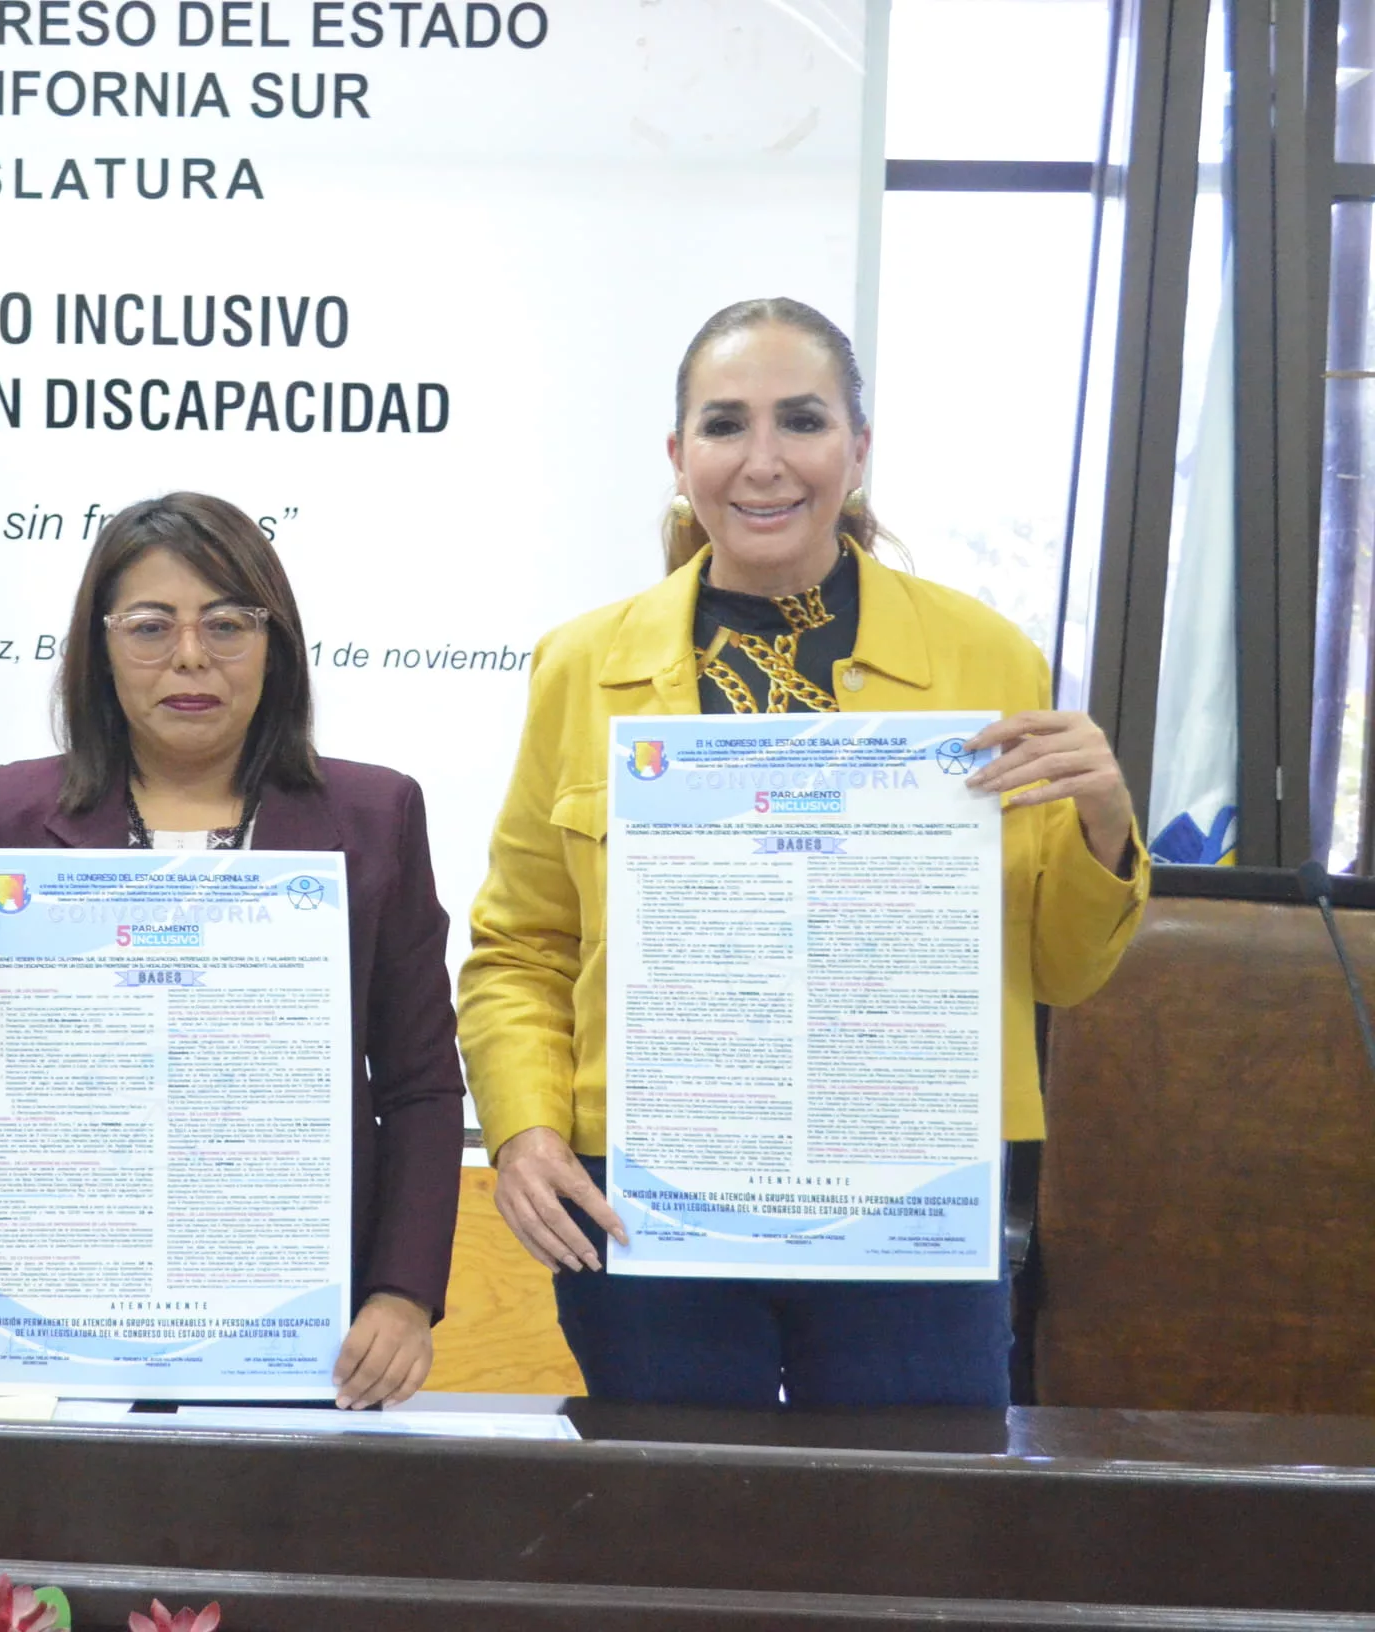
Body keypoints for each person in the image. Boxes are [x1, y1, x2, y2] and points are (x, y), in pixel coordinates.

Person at [460, 297, 1151, 1408]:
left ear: (859, 449)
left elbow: (1061, 973)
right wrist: (524, 1130)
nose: (764, 460)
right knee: (679, 1505)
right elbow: (522, 949)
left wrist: (1105, 824)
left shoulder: (986, 657)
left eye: (803, 420)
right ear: (678, 456)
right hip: (648, 1205)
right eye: (725, 425)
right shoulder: (581, 665)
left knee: (906, 1505)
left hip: (909, 1204)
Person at [0, 493, 466, 1409]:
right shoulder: (17, 811)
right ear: (100, 649)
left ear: (276, 645)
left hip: (293, 1326)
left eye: (228, 624)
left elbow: (420, 1087)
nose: (192, 657)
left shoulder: (375, 815)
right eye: (151, 627)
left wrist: (402, 1295)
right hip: (70, 1307)